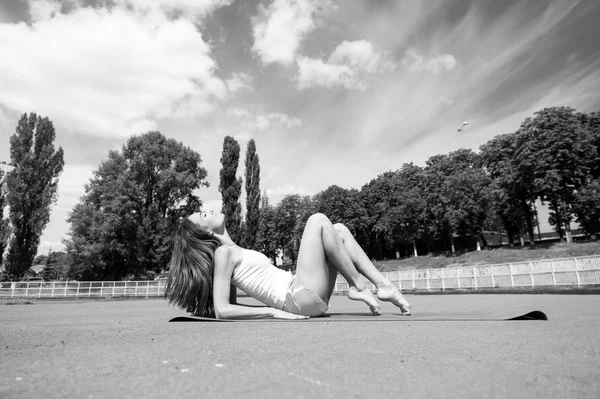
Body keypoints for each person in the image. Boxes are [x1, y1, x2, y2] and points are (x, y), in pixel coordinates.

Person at [165, 210, 411, 320]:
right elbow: (222, 310)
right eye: (203, 215)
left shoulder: (233, 251)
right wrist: (272, 310)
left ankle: (383, 285)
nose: (207, 210)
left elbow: (231, 305)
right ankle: (358, 285)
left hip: (302, 295)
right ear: (204, 231)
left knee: (339, 231)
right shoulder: (222, 255)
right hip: (297, 297)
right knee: (317, 221)